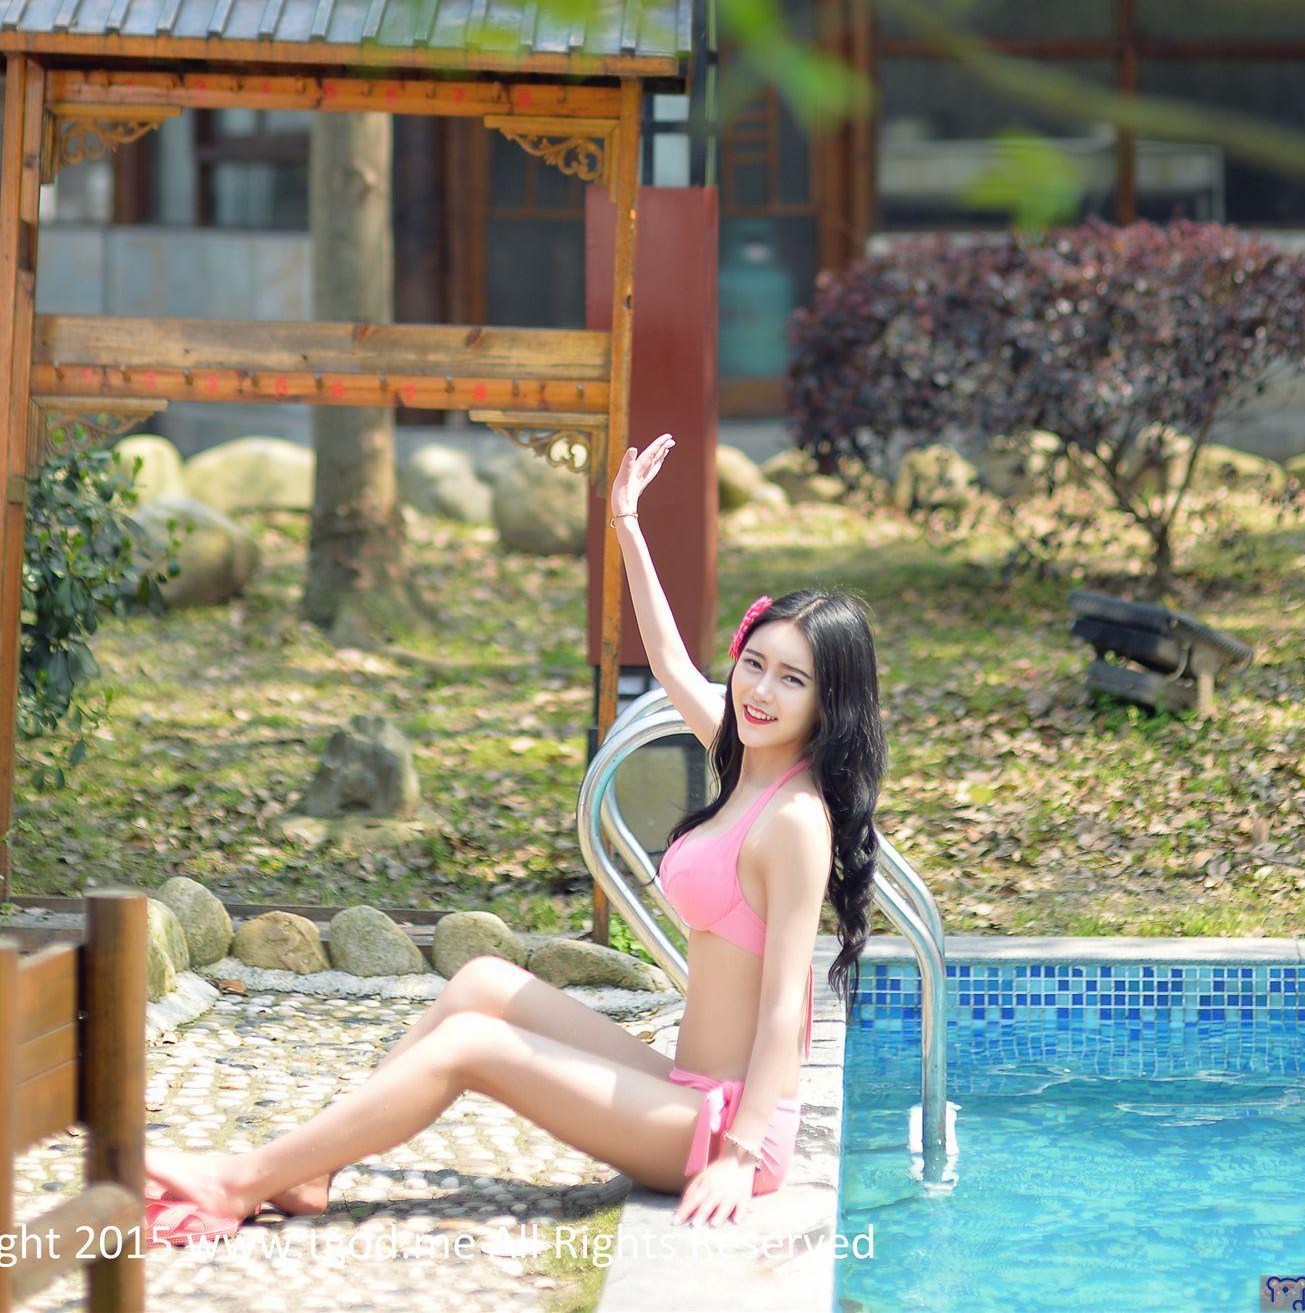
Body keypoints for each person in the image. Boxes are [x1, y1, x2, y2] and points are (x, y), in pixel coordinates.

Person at [142, 431, 885, 1240]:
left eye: (793, 678)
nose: (761, 689)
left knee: (471, 1043)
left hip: (725, 1127)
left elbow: (785, 1009)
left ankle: (237, 1180)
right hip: (686, 1085)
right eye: (755, 662)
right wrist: (627, 525)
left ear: (829, 703)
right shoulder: (746, 748)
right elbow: (671, 660)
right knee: (485, 981)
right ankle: (313, 1166)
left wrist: (740, 1155)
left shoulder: (795, 820)